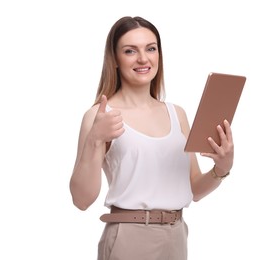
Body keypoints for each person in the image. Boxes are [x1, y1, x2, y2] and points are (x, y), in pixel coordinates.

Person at [69, 16, 233, 260]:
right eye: (130, 51)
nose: (143, 58)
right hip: (129, 237)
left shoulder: (177, 114)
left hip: (176, 235)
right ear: (114, 59)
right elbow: (81, 199)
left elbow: (194, 189)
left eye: (151, 48)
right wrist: (95, 140)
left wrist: (222, 168)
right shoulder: (99, 116)